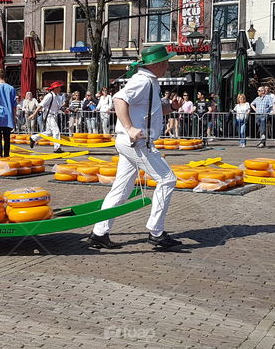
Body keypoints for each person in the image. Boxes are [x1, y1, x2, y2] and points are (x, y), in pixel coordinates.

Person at [88, 44, 182, 250]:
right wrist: (130, 128)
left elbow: (151, 112)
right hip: (136, 142)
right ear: (155, 64)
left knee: (121, 189)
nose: (167, 65)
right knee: (167, 179)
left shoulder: (150, 81)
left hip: (130, 142)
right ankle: (156, 232)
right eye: (165, 61)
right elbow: (119, 99)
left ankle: (99, 233)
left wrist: (172, 107)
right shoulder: (143, 81)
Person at [29, 81, 67, 152]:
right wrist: (34, 114)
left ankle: (33, 138)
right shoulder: (49, 96)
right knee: (56, 131)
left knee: (49, 132)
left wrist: (64, 110)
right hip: (49, 116)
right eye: (59, 87)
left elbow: (58, 107)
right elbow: (41, 105)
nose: (60, 89)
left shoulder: (57, 97)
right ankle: (57, 148)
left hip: (54, 116)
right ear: (55, 88)